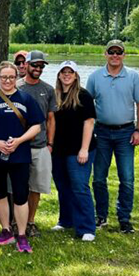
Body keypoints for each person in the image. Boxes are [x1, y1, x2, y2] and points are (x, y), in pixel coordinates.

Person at [0, 62, 45, 253]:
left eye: (11, 77)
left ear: (16, 77)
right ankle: (5, 231)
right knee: (0, 192)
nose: (7, 81)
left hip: (20, 154)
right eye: (3, 77)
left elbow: (36, 126)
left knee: (20, 194)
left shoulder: (26, 98)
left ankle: (22, 235)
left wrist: (19, 141)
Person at [86, 40, 139, 234]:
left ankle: (124, 218)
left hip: (126, 133)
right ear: (105, 54)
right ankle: (101, 215)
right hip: (101, 132)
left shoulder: (134, 77)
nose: (115, 55)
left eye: (118, 52)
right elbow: (87, 105)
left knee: (127, 178)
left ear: (124, 55)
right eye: (111, 52)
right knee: (98, 178)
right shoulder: (95, 77)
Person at [50, 61, 97, 241]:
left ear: (76, 75)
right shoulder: (55, 95)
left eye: (71, 72)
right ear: (59, 75)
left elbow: (89, 122)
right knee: (63, 186)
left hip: (80, 150)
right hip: (59, 149)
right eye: (64, 72)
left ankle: (87, 228)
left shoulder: (83, 95)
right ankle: (66, 220)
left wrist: (84, 149)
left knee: (79, 186)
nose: (67, 75)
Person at [16, 50, 57, 234]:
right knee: (15, 186)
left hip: (40, 146)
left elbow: (50, 119)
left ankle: (30, 222)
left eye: (41, 66)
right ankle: (14, 222)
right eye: (35, 65)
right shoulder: (16, 87)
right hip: (18, 146)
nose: (38, 69)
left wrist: (50, 144)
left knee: (35, 187)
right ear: (26, 64)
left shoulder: (48, 90)